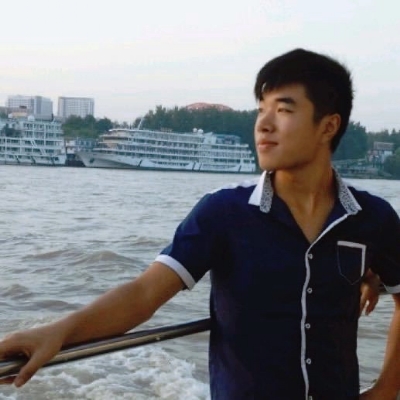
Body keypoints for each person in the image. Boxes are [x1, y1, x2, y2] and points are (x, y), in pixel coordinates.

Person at [0, 48, 398, 399]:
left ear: (328, 126)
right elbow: (143, 294)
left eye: (284, 110)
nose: (263, 124)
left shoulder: (372, 219)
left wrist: (385, 389)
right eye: (261, 109)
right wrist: (57, 332)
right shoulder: (224, 213)